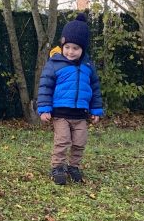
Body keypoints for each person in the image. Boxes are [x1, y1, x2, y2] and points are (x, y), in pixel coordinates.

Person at [36, 12, 104, 184]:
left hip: (80, 114)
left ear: (83, 49)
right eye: (67, 47)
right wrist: (44, 108)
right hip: (61, 114)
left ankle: (73, 166)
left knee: (80, 142)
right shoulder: (55, 64)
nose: (70, 52)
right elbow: (45, 87)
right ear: (62, 45)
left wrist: (96, 110)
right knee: (62, 141)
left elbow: (95, 89)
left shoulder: (88, 66)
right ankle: (57, 167)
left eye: (75, 48)